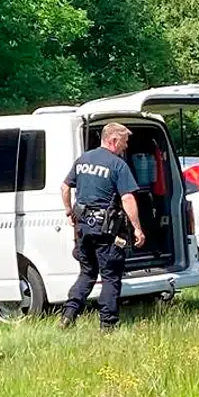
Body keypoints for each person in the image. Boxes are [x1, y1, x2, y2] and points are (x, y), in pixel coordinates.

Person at [58, 122, 146, 330]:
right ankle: (108, 324)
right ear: (113, 140)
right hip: (106, 229)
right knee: (110, 276)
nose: (125, 147)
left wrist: (69, 211)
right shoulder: (117, 165)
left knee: (87, 273)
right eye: (124, 142)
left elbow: (64, 187)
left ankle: (68, 315)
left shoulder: (83, 160)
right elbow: (128, 199)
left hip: (83, 228)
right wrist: (138, 228)